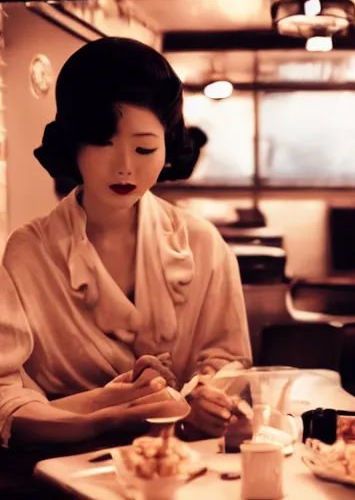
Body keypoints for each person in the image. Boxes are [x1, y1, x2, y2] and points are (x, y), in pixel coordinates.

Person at [0, 37, 252, 447]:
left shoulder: (202, 244)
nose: (124, 167)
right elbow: (5, 398)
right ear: (74, 144)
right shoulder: (28, 254)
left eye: (144, 148)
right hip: (58, 471)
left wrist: (210, 395)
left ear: (166, 147)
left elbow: (226, 359)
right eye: (102, 143)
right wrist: (100, 417)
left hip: (183, 467)